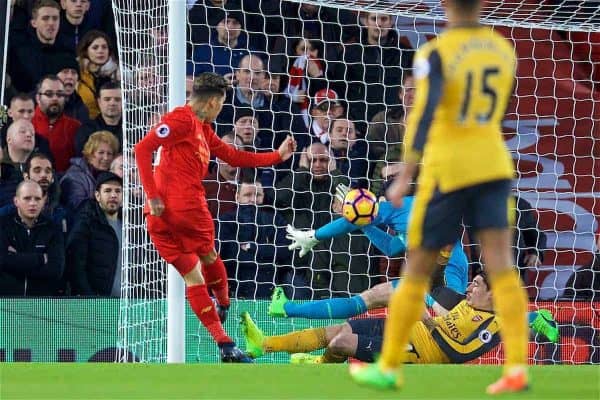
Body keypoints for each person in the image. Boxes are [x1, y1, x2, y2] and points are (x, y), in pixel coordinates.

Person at [349, 0, 528, 394]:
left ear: (445, 7)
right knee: (500, 265)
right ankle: (516, 369)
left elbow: (426, 113)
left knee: (417, 266)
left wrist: (405, 176)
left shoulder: (435, 52)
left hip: (449, 169)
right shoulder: (501, 48)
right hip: (493, 163)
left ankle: (389, 367)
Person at [134, 72, 296, 362]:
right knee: (209, 258)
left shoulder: (202, 128)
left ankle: (224, 344)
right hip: (185, 209)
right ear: (212, 102)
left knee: (192, 276)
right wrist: (152, 194)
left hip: (158, 219)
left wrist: (275, 156)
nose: (222, 109)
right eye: (222, 104)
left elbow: (234, 156)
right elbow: (143, 148)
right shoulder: (182, 120)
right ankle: (223, 302)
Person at [240, 273, 559, 364]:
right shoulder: (470, 305)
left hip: (417, 351)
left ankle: (321, 365)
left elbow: (458, 352)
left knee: (341, 342)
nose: (471, 287)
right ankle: (261, 345)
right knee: (335, 329)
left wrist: (429, 318)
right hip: (410, 326)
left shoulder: (496, 325)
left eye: (478, 284)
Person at [285, 179, 469, 300]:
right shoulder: (409, 222)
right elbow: (390, 247)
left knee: (451, 315)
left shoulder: (395, 207)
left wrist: (315, 235)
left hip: (447, 267)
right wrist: (362, 222)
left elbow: (348, 223)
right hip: (447, 266)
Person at [0, 180, 65, 296]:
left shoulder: (53, 230)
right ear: (16, 201)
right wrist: (41, 259)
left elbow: (56, 270)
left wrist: (16, 259)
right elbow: (3, 261)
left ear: (43, 201)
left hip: (41, 304)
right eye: (27, 198)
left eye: (37, 199)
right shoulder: (3, 226)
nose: (33, 203)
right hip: (6, 304)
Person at [66, 172, 123, 296]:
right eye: (107, 191)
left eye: (118, 191)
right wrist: (89, 297)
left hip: (129, 303)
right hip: (96, 303)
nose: (113, 195)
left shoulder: (129, 226)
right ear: (97, 195)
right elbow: (76, 265)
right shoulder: (86, 223)